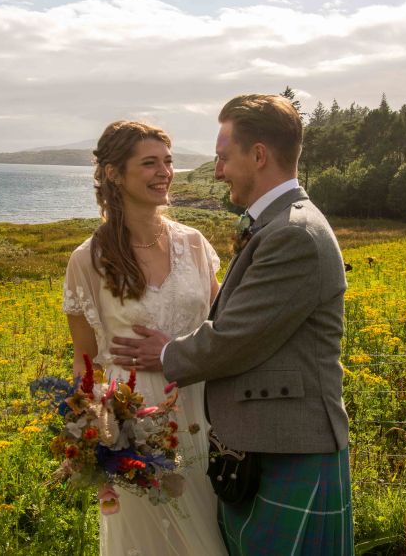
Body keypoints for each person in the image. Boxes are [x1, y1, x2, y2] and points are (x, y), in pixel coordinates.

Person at [110, 94, 353, 555]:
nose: (218, 171)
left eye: (223, 158)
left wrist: (165, 353)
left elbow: (238, 337)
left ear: (258, 155)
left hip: (289, 447)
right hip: (266, 443)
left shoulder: (293, 234)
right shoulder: (277, 224)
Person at [62, 120, 228, 556]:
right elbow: (84, 364)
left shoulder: (194, 245)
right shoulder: (88, 259)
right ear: (114, 174)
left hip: (203, 407)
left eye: (168, 162)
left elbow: (224, 328)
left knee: (211, 532)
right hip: (133, 425)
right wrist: (92, 434)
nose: (165, 173)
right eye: (150, 163)